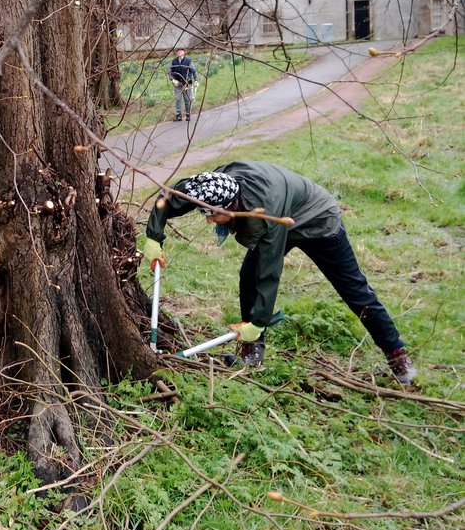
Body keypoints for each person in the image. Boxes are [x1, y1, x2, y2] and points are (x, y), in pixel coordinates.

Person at [142, 161, 417, 384]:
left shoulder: (266, 213)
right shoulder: (216, 183)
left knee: (353, 290)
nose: (210, 220)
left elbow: (269, 271)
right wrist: (154, 236)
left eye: (214, 216)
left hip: (317, 221)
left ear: (233, 207)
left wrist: (258, 320)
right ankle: (253, 350)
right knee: (247, 278)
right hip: (284, 211)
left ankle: (396, 353)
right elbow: (173, 195)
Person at [169, 48, 198, 121]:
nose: (179, 52)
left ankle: (188, 114)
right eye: (178, 51)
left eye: (181, 51)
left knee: (187, 99)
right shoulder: (174, 62)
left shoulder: (188, 61)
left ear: (184, 52)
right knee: (177, 99)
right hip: (177, 84)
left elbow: (194, 70)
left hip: (186, 84)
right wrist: (173, 80)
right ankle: (179, 115)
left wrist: (196, 80)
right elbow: (170, 73)